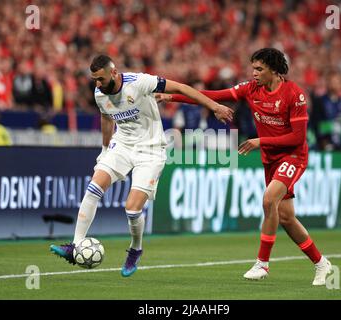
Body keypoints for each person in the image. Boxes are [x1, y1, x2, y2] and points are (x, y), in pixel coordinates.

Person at [157, 48, 332, 286]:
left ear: (274, 70)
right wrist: (173, 96)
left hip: (293, 157)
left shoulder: (294, 95)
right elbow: (214, 95)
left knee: (269, 200)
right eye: (253, 68)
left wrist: (261, 141)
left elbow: (297, 138)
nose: (254, 73)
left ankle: (262, 263)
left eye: (259, 69)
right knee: (286, 218)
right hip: (270, 160)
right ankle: (321, 264)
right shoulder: (251, 89)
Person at [50, 54, 233, 277]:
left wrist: (214, 106)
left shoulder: (139, 82)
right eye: (94, 80)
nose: (97, 84)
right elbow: (107, 118)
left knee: (132, 209)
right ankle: (76, 244)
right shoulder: (100, 94)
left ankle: (135, 249)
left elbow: (183, 88)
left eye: (100, 79)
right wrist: (105, 149)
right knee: (94, 187)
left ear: (114, 73)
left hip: (151, 149)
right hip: (123, 145)